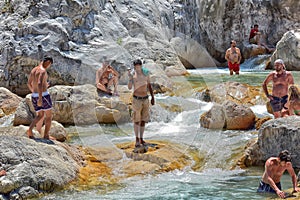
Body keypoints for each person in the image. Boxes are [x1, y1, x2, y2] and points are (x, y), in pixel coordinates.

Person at [128, 59, 155, 147]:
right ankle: (136, 140)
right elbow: (129, 88)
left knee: (143, 120)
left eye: (139, 66)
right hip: (136, 100)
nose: (137, 68)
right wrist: (130, 79)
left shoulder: (146, 74)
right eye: (136, 67)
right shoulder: (133, 75)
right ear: (134, 67)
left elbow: (149, 86)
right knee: (136, 120)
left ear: (141, 66)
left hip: (145, 99)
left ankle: (141, 138)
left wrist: (152, 98)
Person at [27, 56, 53, 139]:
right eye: (50, 64)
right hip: (43, 96)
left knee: (40, 115)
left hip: (34, 95)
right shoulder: (42, 70)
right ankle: (46, 135)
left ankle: (30, 130)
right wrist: (40, 98)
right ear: (48, 62)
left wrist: (34, 93)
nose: (49, 66)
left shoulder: (34, 70)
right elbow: (39, 83)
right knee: (49, 116)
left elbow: (29, 83)